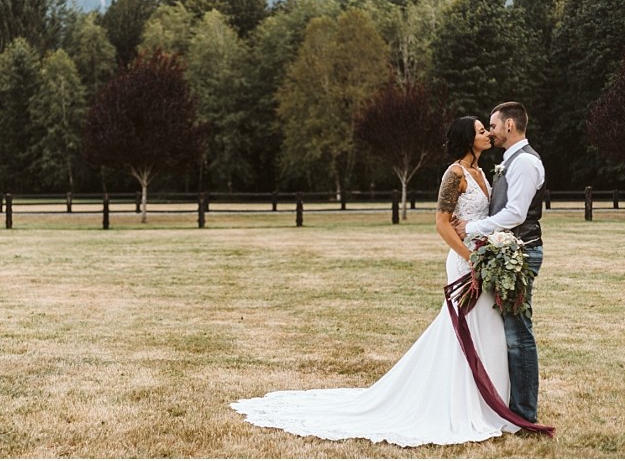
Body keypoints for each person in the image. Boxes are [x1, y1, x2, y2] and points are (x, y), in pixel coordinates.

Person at [230, 117, 530, 447]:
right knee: (466, 326)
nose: (487, 133)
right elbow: (441, 224)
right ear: (466, 139)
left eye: (487, 129)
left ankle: (488, 400)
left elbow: (477, 219)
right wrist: (470, 257)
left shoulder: (482, 174)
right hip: (464, 262)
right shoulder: (455, 173)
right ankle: (460, 402)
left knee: (486, 326)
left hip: (481, 257)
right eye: (480, 130)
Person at [452, 101, 546, 424]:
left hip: (522, 252)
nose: (490, 132)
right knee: (510, 330)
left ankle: (523, 412)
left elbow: (516, 214)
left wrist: (473, 228)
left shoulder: (525, 164)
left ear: (509, 126)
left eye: (493, 125)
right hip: (509, 251)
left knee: (519, 333)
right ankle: (512, 404)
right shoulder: (511, 162)